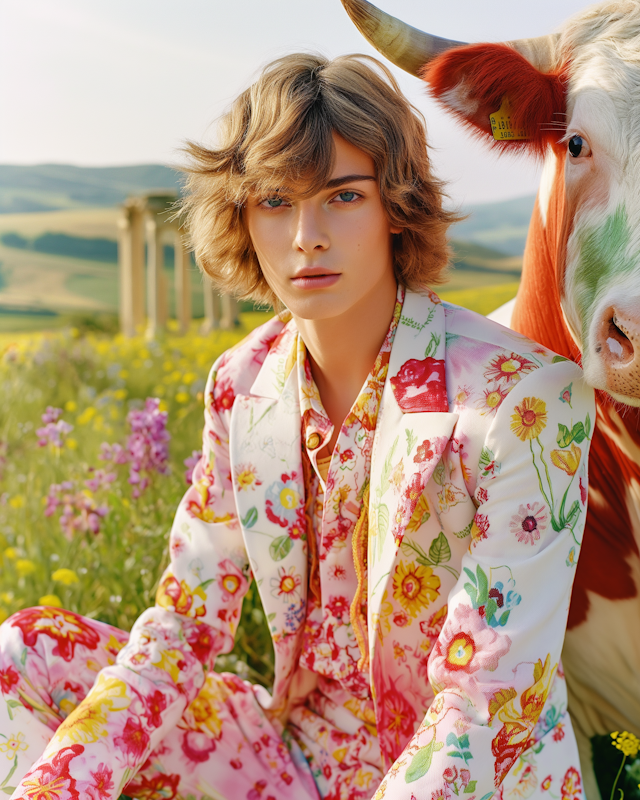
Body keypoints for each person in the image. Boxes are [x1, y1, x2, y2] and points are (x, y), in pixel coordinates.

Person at [0, 53, 594, 800]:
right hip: (295, 767)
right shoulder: (241, 381)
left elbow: (488, 703)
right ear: (242, 219)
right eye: (276, 202)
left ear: (394, 207)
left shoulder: (529, 400)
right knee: (22, 650)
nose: (307, 236)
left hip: (466, 778)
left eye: (342, 196)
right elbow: (184, 629)